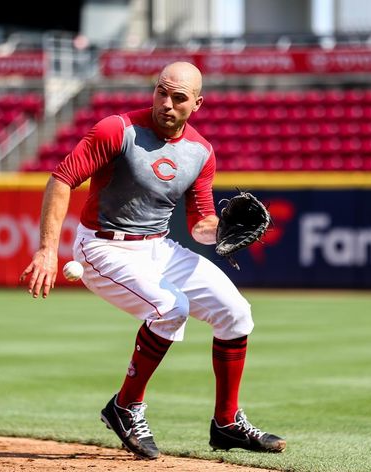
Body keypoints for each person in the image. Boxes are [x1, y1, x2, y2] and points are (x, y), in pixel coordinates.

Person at [20, 61, 286, 460]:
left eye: (179, 98)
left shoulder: (200, 151)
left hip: (159, 247)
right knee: (170, 307)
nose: (167, 103)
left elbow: (199, 224)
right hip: (102, 246)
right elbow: (62, 178)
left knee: (236, 313)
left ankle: (227, 422)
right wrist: (46, 249)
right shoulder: (117, 129)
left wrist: (223, 231)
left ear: (197, 104)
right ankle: (125, 406)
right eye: (161, 92)